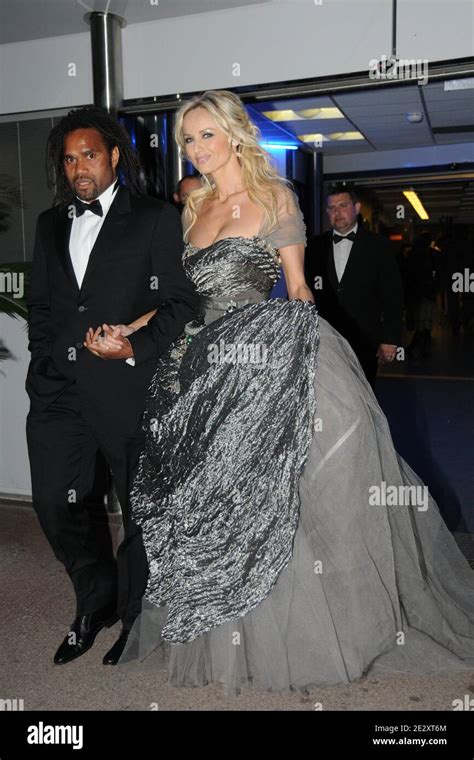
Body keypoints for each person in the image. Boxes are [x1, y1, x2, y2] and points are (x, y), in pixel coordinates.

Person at [85, 90, 474, 690]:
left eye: (206, 135)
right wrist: (128, 330)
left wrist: (317, 360)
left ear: (236, 135)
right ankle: (223, 627)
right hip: (198, 369)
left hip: (260, 357)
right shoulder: (194, 209)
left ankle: (308, 632)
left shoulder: (275, 198)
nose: (195, 150)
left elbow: (296, 289)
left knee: (281, 494)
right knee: (216, 506)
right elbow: (181, 302)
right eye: (187, 139)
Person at [25, 107, 198, 667]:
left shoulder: (153, 218)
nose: (79, 167)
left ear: (114, 157)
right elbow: (44, 305)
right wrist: (46, 358)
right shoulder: (50, 224)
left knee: (137, 509)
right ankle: (92, 598)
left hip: (125, 389)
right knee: (54, 501)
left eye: (90, 155)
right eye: (70, 158)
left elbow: (180, 303)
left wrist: (133, 348)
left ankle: (133, 616)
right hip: (58, 389)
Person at [305, 185, 403, 388]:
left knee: (364, 392)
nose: (336, 212)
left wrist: (390, 339)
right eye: (331, 208)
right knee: (330, 393)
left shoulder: (379, 246)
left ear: (356, 207)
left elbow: (393, 295)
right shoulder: (314, 247)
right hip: (325, 338)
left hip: (365, 337)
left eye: (342, 205)